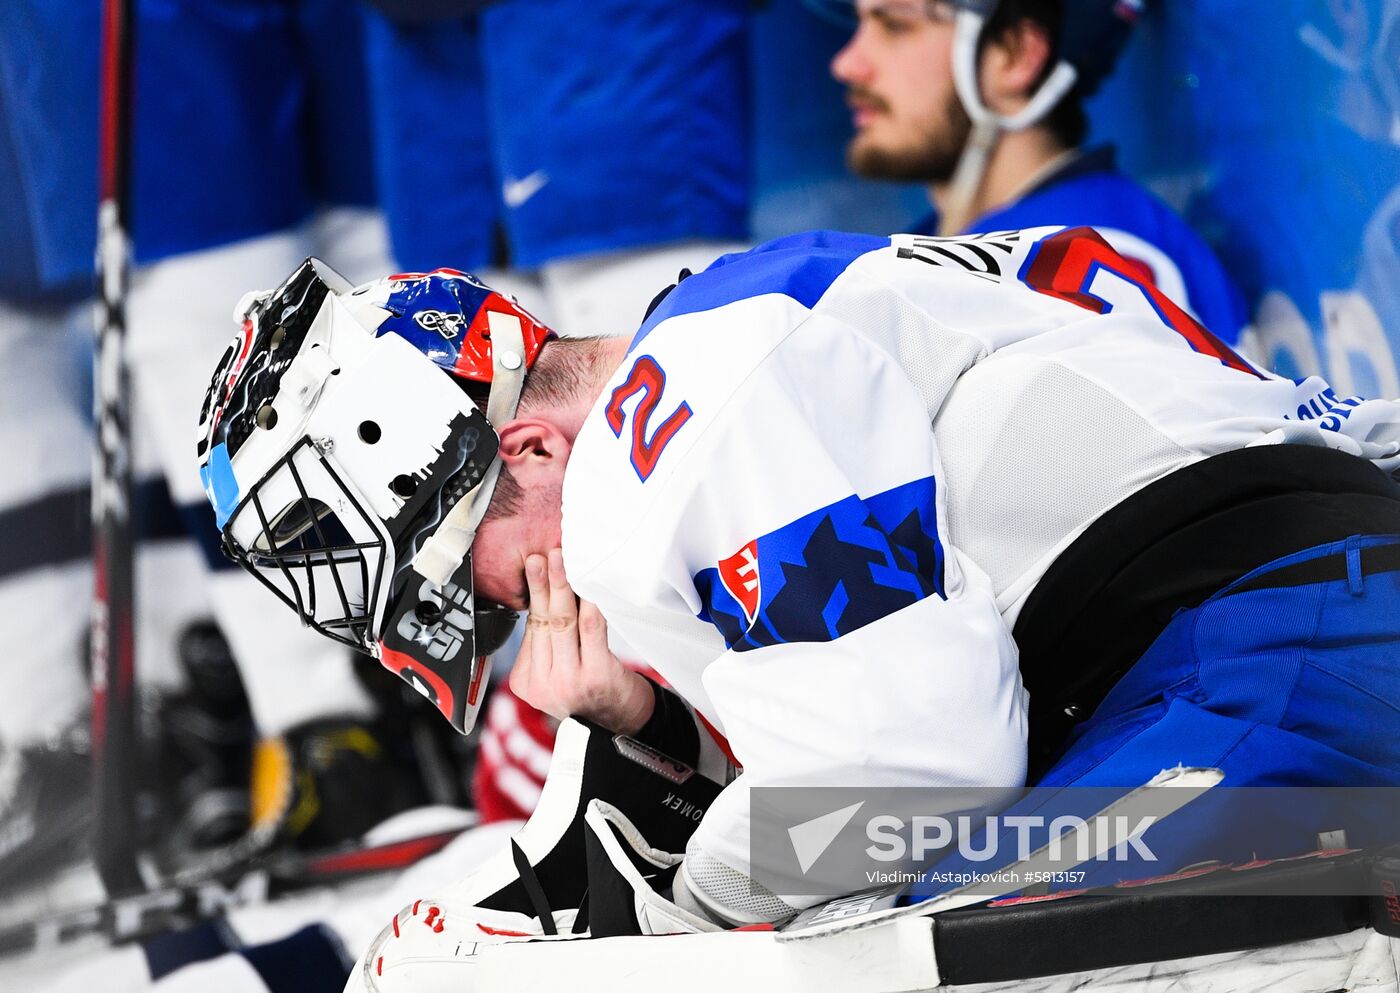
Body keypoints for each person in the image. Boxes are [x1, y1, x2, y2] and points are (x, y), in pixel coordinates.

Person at [198, 225, 1400, 971]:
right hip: (1294, 633)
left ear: (525, 453)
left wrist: (676, 907)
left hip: (1278, 663)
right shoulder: (770, 306)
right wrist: (655, 727)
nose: (520, 615)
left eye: (477, 584)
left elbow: (918, 786)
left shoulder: (674, 414)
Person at [827, 0, 1251, 345]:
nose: (847, 64)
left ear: (1015, 56)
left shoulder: (1080, 257)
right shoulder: (1001, 244)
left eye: (895, 25)